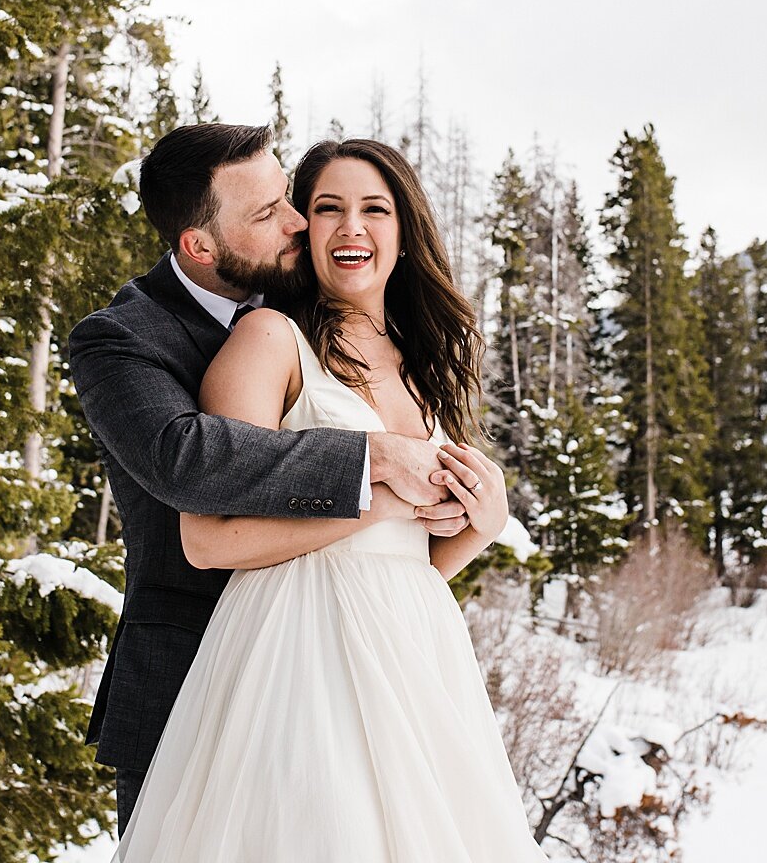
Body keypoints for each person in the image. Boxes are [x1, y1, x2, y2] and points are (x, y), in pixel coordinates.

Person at [113, 138, 547, 862]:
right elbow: (210, 540)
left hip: (415, 658)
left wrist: (486, 522)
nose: (351, 227)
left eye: (374, 208)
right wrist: (377, 499)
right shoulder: (270, 338)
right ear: (303, 232)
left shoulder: (428, 364)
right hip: (292, 657)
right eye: (326, 208)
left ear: (405, 232)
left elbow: (407, 565)